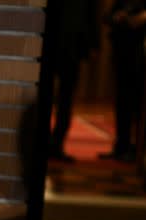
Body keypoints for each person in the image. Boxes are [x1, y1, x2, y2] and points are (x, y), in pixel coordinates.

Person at [98, 0, 146, 162]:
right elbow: (107, 17)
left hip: (141, 57)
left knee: (137, 104)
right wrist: (118, 17)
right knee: (122, 103)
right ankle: (121, 146)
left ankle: (136, 149)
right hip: (122, 53)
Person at [48, 0, 99, 163]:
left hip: (72, 49)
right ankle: (45, 143)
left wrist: (92, 45)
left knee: (65, 100)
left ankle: (57, 144)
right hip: (51, 46)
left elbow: (91, 16)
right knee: (47, 99)